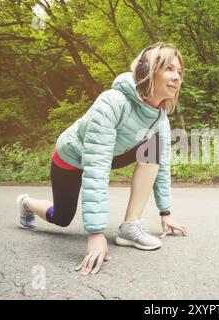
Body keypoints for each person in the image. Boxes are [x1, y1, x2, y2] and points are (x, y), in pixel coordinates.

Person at [16, 42, 189, 276]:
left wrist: (165, 213)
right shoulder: (112, 102)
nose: (176, 77)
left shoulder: (160, 119)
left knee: (154, 147)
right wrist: (95, 234)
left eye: (179, 71)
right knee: (62, 217)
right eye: (169, 69)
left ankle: (130, 225)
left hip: (112, 153)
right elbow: (96, 167)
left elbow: (162, 165)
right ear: (146, 71)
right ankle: (25, 202)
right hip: (70, 158)